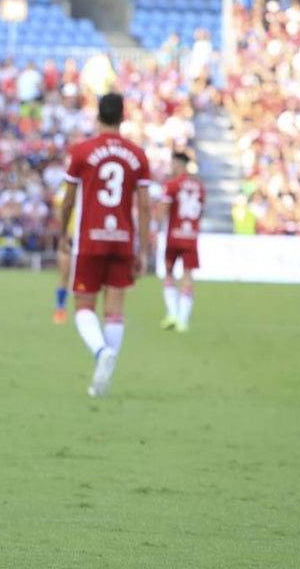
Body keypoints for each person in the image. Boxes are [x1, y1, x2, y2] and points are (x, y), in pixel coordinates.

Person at [58, 93, 151, 398]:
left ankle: (101, 353)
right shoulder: (138, 155)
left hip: (90, 238)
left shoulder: (83, 151)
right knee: (115, 311)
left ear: (97, 117)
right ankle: (105, 376)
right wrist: (144, 249)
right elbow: (145, 207)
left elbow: (70, 197)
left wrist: (62, 230)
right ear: (123, 118)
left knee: (84, 306)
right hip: (123, 239)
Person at [159, 151, 205, 332]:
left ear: (179, 164)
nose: (172, 167)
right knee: (187, 277)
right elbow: (200, 211)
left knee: (169, 273)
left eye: (173, 163)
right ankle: (182, 321)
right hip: (191, 237)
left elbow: (163, 209)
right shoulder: (200, 186)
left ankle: (173, 314)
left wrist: (157, 226)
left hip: (173, 236)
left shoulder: (171, 185)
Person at [51, 182, 74, 324]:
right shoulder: (67, 187)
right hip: (69, 236)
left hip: (87, 237)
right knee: (64, 272)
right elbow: (58, 209)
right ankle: (60, 309)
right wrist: (65, 232)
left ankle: (85, 311)